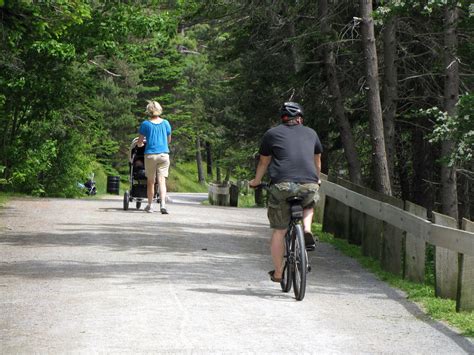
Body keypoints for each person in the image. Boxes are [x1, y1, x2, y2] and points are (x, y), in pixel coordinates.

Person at [249, 101, 323, 283]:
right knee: (309, 202)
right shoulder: (311, 133)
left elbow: (264, 162)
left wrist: (256, 182)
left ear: (283, 118)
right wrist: (317, 178)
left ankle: (279, 273)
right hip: (309, 183)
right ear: (300, 118)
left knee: (279, 231)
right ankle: (306, 229)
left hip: (282, 186)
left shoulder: (272, 134)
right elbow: (317, 160)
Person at [137, 100, 172, 214]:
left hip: (151, 155)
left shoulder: (145, 124)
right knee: (162, 181)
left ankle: (150, 205)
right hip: (163, 155)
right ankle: (162, 204)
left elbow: (140, 142)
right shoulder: (166, 123)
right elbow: (169, 140)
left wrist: (141, 144)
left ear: (149, 111)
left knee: (151, 181)